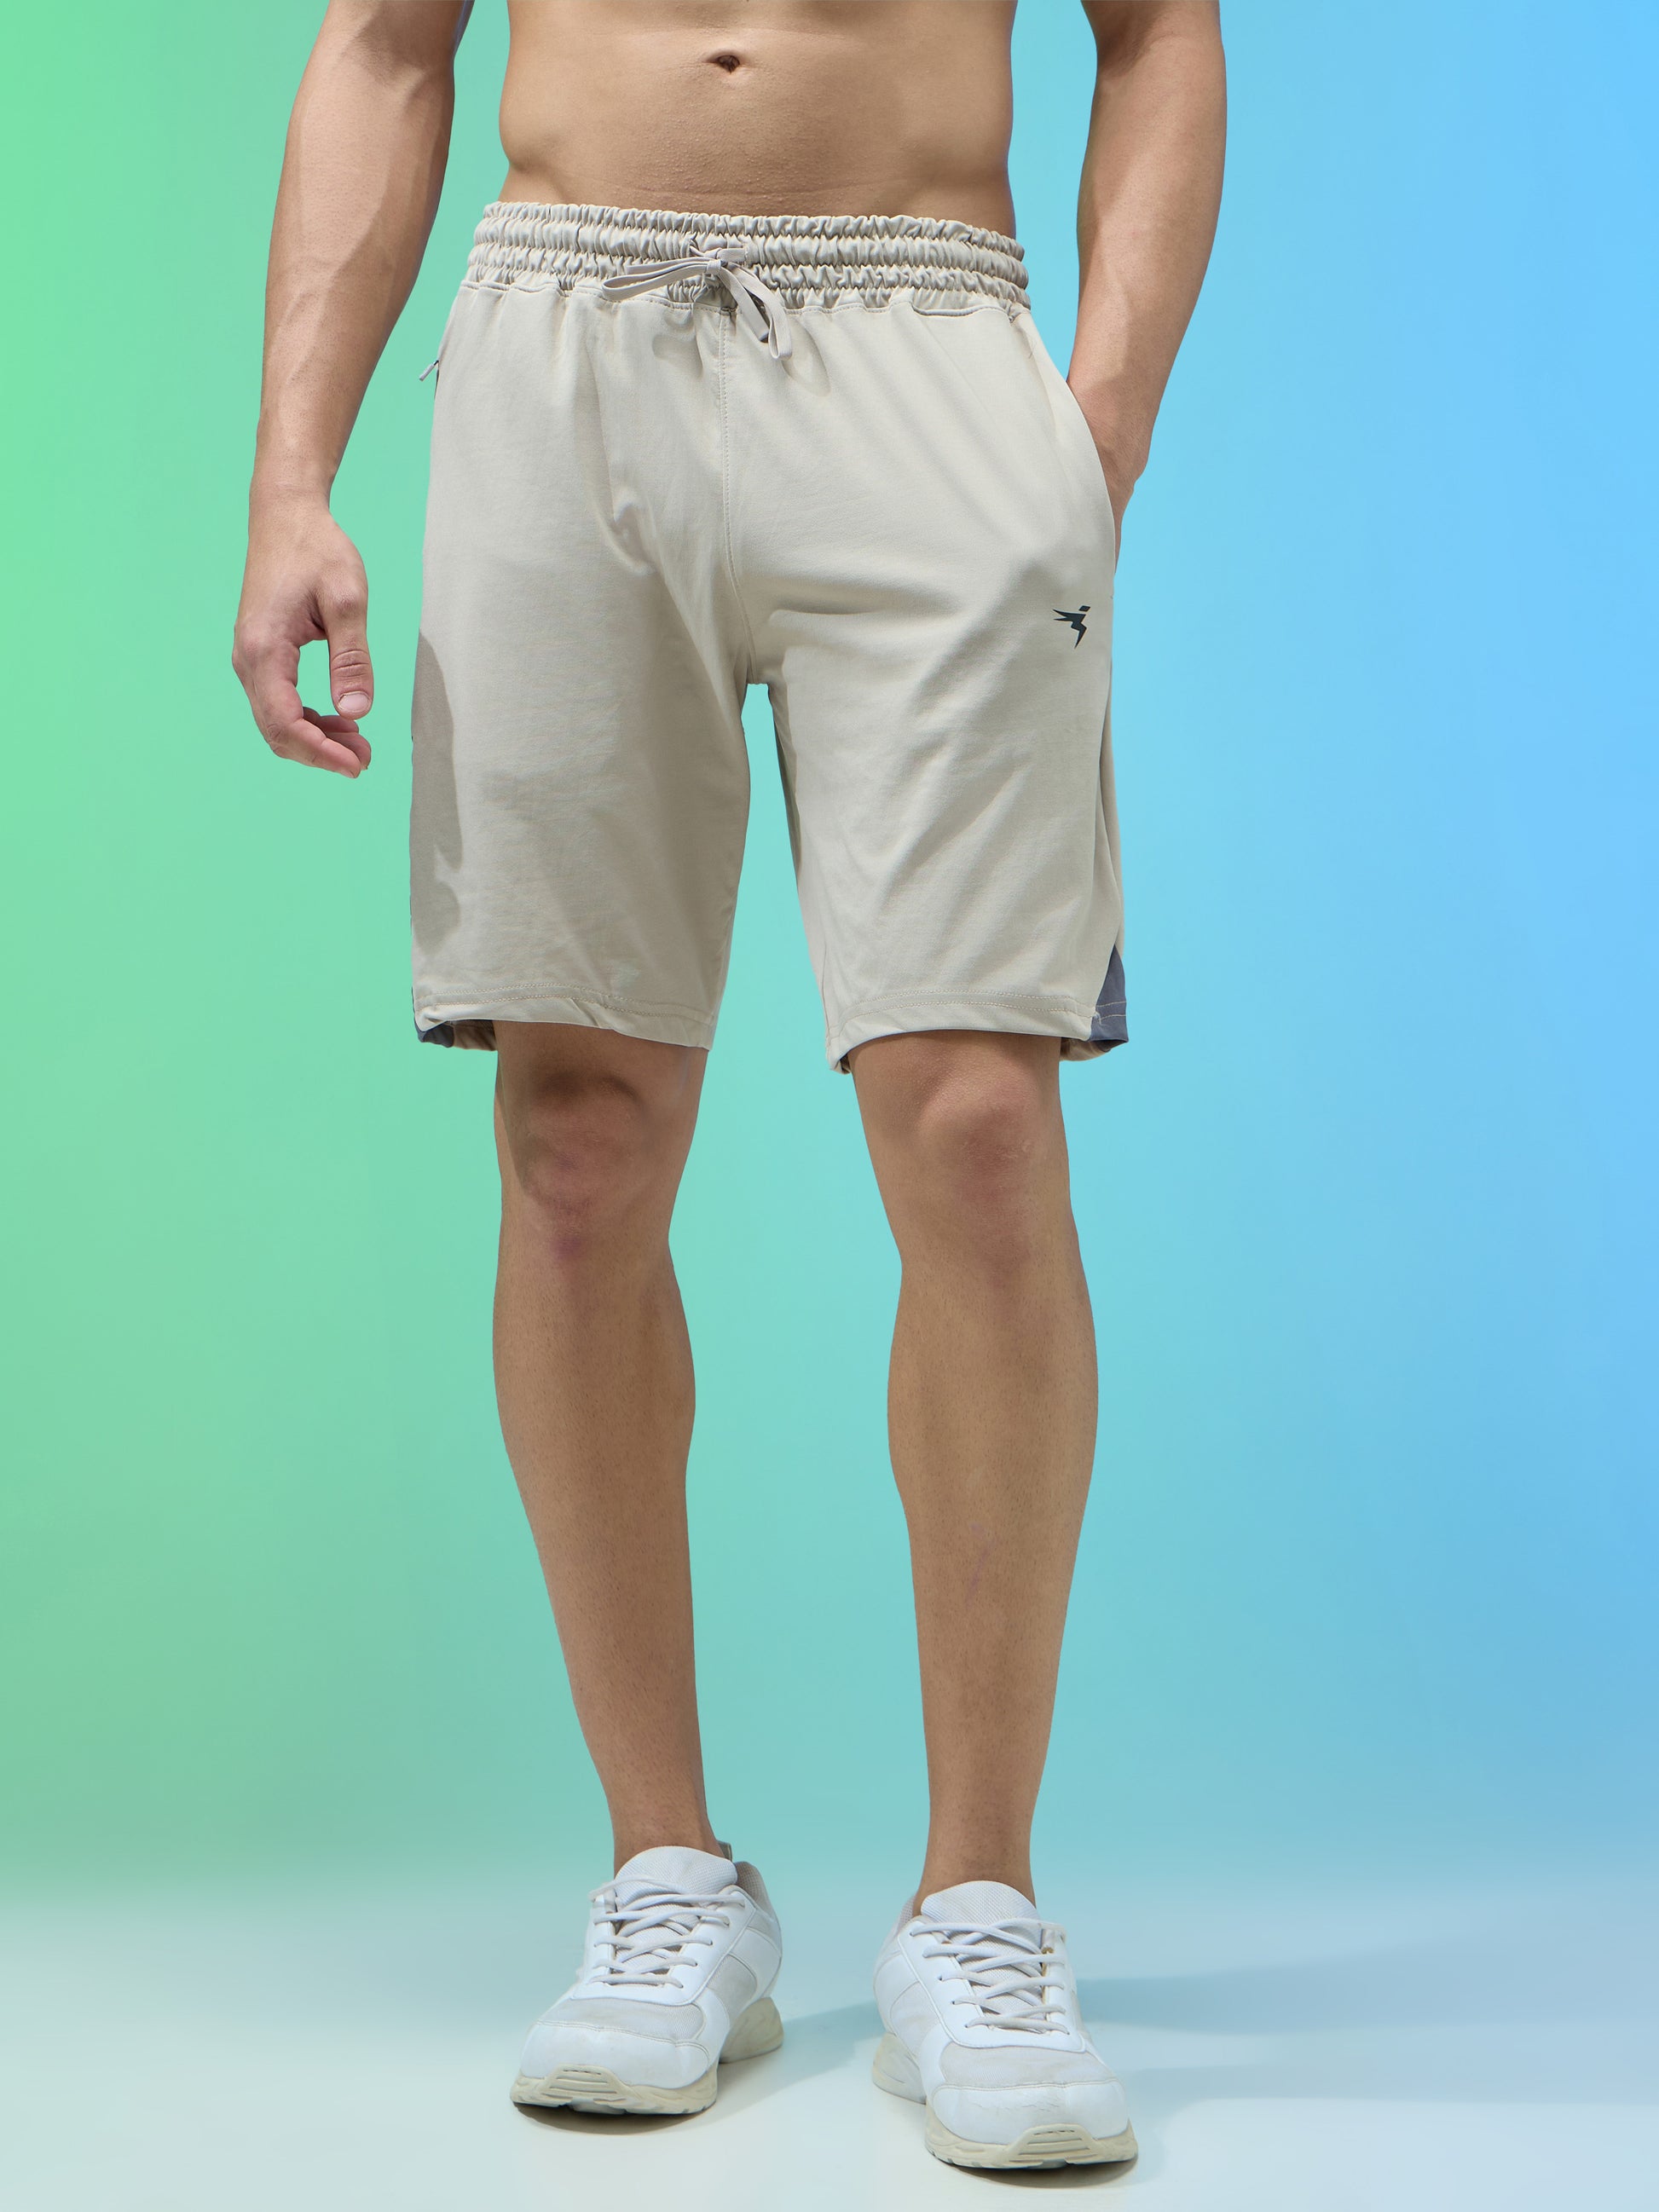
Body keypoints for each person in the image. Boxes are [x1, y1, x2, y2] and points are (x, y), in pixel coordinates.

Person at [233, 0, 1224, 2173]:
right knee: (575, 1144)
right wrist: (292, 471)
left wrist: (1098, 426)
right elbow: (385, 43)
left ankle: (979, 1904)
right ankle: (668, 1872)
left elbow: (1159, 32)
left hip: (928, 335)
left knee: (978, 1121)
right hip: (562, 337)